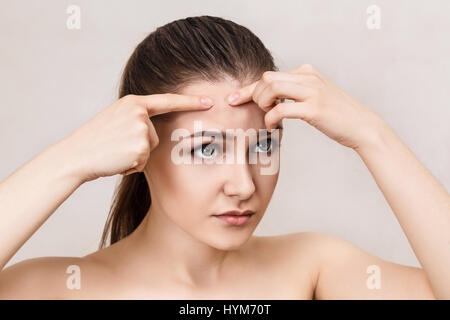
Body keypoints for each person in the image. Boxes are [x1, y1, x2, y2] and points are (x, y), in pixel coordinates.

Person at [0, 15, 448, 300]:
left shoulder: (312, 268)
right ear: (138, 149)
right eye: (206, 149)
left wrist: (373, 136)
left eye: (264, 145)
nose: (244, 184)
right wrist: (68, 160)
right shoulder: (55, 289)